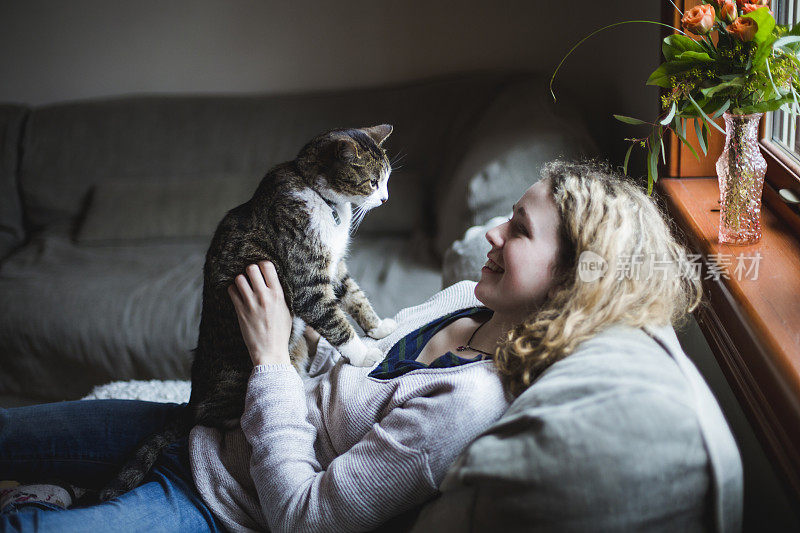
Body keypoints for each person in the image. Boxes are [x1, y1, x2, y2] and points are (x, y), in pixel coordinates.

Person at [0, 160, 742, 532]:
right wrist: (290, 330)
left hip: (216, 500)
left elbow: (303, 514)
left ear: (572, 281)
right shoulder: (467, 301)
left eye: (519, 230)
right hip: (196, 429)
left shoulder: (464, 403)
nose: (492, 233)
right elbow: (347, 365)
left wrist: (268, 363)